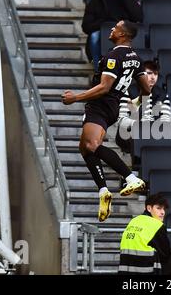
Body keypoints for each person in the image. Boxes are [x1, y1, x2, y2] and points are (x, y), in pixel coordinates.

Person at [62, 20, 149, 222]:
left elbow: (103, 87)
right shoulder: (136, 59)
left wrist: (75, 98)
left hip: (100, 105)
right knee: (85, 148)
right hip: (113, 107)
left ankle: (131, 178)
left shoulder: (114, 56)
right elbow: (146, 88)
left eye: (116, 27)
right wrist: (137, 101)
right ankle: (103, 192)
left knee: (91, 145)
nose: (111, 29)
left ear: (123, 34)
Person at [82, 0, 142, 72]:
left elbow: (138, 17)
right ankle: (98, 70)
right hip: (102, 30)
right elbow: (86, 26)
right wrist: (104, 23)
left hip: (124, 30)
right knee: (94, 37)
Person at [119, 193, 171, 275]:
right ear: (149, 208)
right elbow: (165, 255)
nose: (163, 212)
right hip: (147, 271)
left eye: (164, 209)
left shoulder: (134, 220)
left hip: (126, 271)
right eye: (159, 208)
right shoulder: (157, 225)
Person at [116, 60, 171, 153]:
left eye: (156, 74)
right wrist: (140, 125)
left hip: (154, 133)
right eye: (149, 73)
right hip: (131, 133)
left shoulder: (162, 94)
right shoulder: (128, 91)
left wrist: (153, 127)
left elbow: (166, 118)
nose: (153, 77)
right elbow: (122, 120)